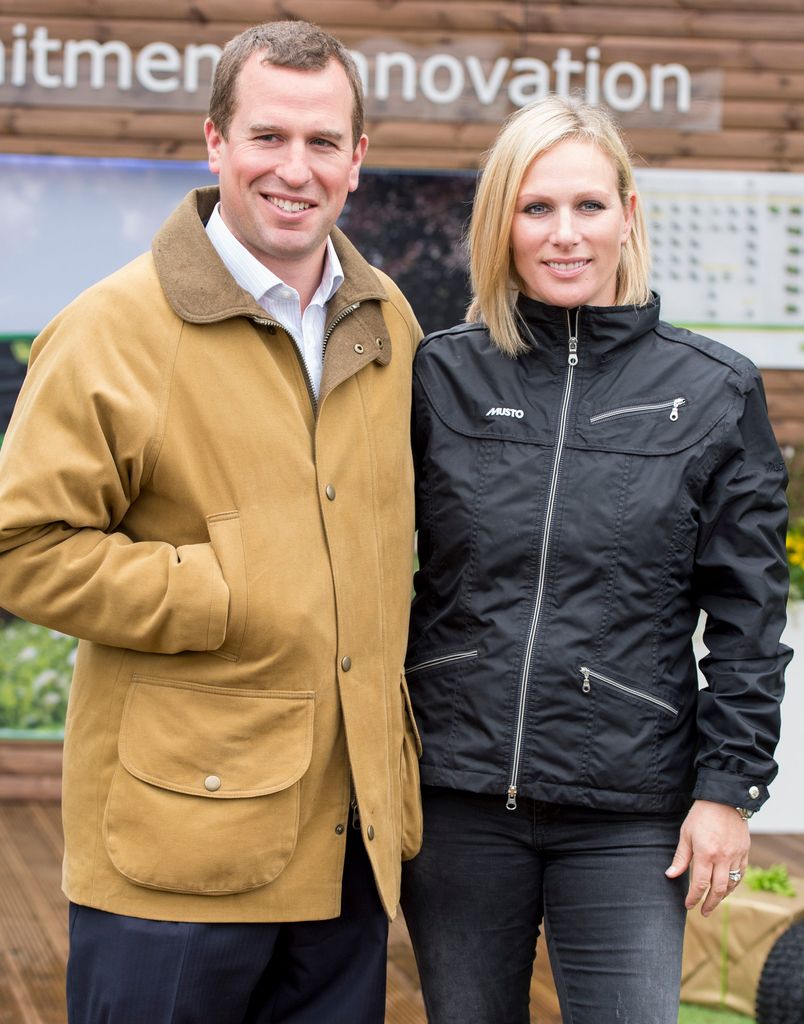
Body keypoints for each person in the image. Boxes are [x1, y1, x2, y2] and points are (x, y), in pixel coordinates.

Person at [0, 20, 423, 1024]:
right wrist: (222, 590)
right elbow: (19, 545)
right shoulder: (116, 326)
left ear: (358, 160)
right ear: (216, 143)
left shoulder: (388, 319)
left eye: (324, 142)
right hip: (177, 849)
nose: (296, 168)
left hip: (347, 839)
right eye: (268, 137)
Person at [401, 95, 792, 1024]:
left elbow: (748, 615)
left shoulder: (712, 390)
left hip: (629, 810)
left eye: (587, 206)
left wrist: (729, 789)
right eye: (535, 208)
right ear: (501, 224)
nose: (564, 234)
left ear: (628, 215)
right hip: (457, 794)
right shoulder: (440, 375)